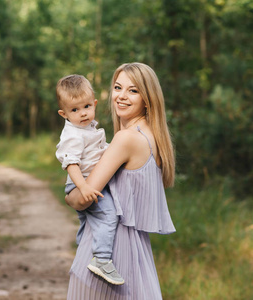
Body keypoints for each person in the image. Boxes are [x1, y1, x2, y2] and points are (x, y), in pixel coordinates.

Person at [65, 63, 176, 299]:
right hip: (137, 254)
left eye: (133, 91)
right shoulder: (151, 135)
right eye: (117, 87)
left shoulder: (126, 139)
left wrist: (69, 195)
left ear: (148, 99)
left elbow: (82, 199)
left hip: (110, 253)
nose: (121, 96)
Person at [55, 74, 124, 285]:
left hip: (86, 181)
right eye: (74, 110)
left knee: (88, 224)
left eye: (86, 106)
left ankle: (84, 255)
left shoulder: (87, 127)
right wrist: (84, 186)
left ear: (94, 103)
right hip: (83, 182)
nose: (83, 113)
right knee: (108, 214)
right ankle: (102, 259)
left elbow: (95, 151)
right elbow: (71, 163)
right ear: (63, 113)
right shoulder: (74, 134)